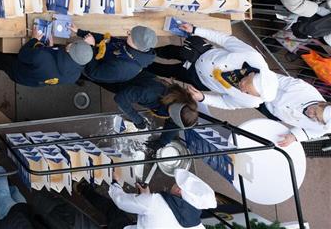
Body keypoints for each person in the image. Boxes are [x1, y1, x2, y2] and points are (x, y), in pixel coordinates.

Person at [150, 21, 279, 110]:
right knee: (170, 51)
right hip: (201, 54)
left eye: (247, 92)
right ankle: (148, 51)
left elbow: (226, 103)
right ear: (251, 74)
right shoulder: (252, 56)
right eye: (245, 83)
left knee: (167, 71)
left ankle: (144, 66)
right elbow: (225, 40)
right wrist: (195, 30)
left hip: (199, 79)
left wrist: (203, 98)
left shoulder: (252, 101)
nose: (242, 89)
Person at [0, 21, 94, 87]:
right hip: (35, 80)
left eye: (73, 44)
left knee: (2, 61)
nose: (71, 43)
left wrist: (34, 40)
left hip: (19, 73)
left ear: (69, 50)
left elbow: (23, 54)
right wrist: (51, 48)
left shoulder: (43, 57)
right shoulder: (74, 76)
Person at [103, 169, 217, 229]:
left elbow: (121, 201)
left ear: (179, 191)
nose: (173, 183)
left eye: (176, 183)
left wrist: (115, 183)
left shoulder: (155, 202)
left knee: (111, 210)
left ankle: (85, 189)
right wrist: (146, 198)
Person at [111, 75, 201, 151]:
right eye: (174, 119)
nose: (173, 121)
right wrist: (138, 120)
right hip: (120, 78)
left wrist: (162, 142)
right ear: (172, 113)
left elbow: (174, 124)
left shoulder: (179, 102)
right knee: (102, 79)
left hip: (133, 88)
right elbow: (120, 99)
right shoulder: (151, 94)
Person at [264, 75, 331, 145]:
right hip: (263, 91)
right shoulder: (303, 89)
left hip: (273, 114)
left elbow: (314, 132)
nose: (311, 115)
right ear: (321, 103)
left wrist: (294, 137)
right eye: (315, 112)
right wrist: (260, 90)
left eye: (316, 118)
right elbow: (274, 79)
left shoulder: (324, 125)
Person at [79, 25, 157, 84]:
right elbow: (108, 40)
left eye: (130, 34)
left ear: (136, 45)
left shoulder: (122, 68)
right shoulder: (134, 46)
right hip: (98, 54)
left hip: (91, 65)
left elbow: (93, 72)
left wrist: (91, 47)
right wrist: (80, 32)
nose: (128, 33)